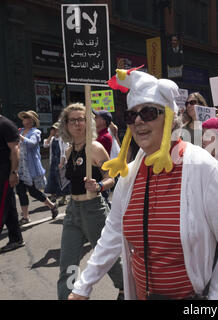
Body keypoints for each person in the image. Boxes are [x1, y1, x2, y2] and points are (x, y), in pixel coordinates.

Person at [68, 68, 218, 300]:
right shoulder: (131, 173)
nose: (137, 121)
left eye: (147, 112)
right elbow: (113, 232)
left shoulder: (203, 168)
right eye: (130, 115)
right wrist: (82, 287)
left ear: (169, 117)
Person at [56, 103, 124, 300]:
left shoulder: (94, 147)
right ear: (66, 125)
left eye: (81, 119)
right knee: (67, 263)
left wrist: (100, 186)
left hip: (93, 209)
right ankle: (69, 296)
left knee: (107, 259)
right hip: (72, 210)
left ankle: (125, 287)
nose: (77, 124)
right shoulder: (69, 151)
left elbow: (111, 178)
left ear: (88, 123)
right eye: (73, 120)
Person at [16, 110, 58, 225]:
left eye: (29, 118)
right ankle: (25, 216)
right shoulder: (20, 131)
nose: (26, 120)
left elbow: (32, 143)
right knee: (20, 192)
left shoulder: (36, 132)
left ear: (33, 121)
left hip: (30, 168)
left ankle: (52, 206)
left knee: (33, 192)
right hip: (19, 167)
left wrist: (19, 137)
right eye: (25, 118)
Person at [0, 114, 25, 253]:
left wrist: (14, 172)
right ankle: (16, 239)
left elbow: (15, 150)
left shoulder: (6, 124)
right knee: (8, 207)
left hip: (4, 172)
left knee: (2, 206)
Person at [43, 122, 70, 206]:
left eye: (56, 129)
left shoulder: (63, 139)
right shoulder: (52, 139)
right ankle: (54, 195)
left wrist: (62, 163)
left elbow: (64, 152)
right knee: (53, 179)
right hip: (53, 162)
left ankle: (64, 198)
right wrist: (50, 135)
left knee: (62, 180)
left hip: (61, 161)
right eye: (53, 129)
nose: (55, 131)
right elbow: (45, 145)